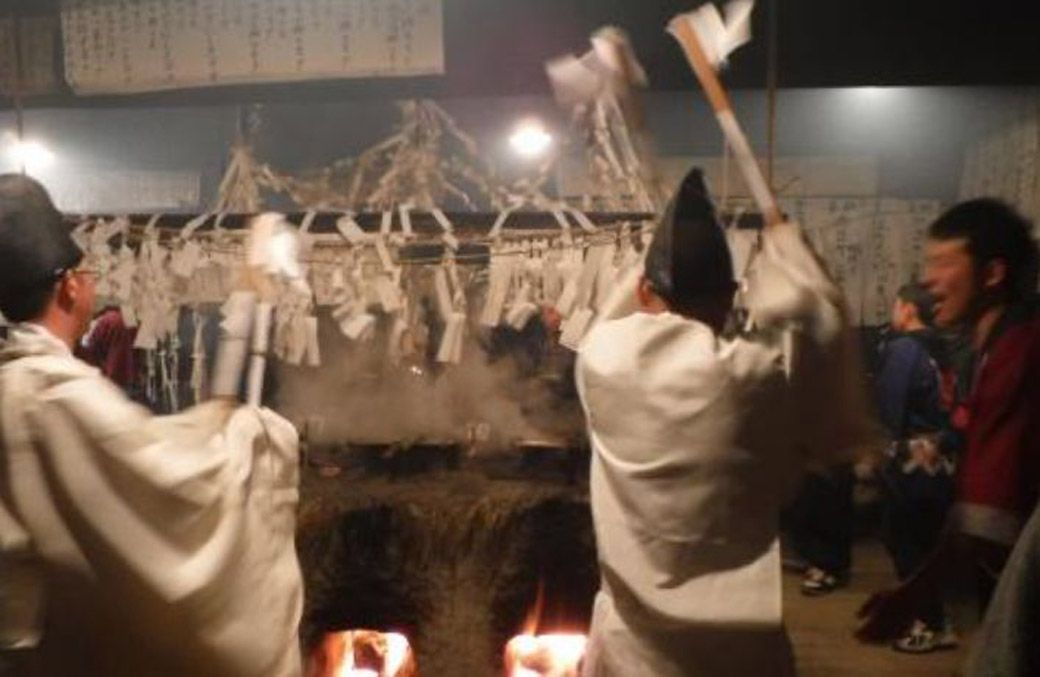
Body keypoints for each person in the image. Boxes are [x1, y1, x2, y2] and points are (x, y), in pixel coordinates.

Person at [0, 174, 304, 676]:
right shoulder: (51, 398)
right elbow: (172, 484)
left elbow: (138, 447)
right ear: (71, 286)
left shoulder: (16, 387)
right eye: (89, 272)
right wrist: (252, 437)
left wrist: (217, 416)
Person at [577, 167, 872, 676]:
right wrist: (790, 252)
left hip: (633, 652)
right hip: (741, 653)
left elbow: (618, 306)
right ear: (733, 293)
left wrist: (658, 251)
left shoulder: (601, 357)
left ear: (646, 290)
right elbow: (822, 319)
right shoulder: (762, 373)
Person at [857, 198, 1040, 642]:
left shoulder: (1020, 348)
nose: (926, 279)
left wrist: (915, 595)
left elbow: (986, 520)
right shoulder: (990, 344)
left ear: (993, 274)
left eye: (943, 262)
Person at [874, 282, 958, 653]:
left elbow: (890, 410)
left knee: (905, 541)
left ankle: (931, 623)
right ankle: (931, 617)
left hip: (912, 459)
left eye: (896, 305)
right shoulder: (942, 347)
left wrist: (879, 452)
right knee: (926, 541)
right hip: (943, 457)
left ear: (907, 309)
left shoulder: (903, 349)